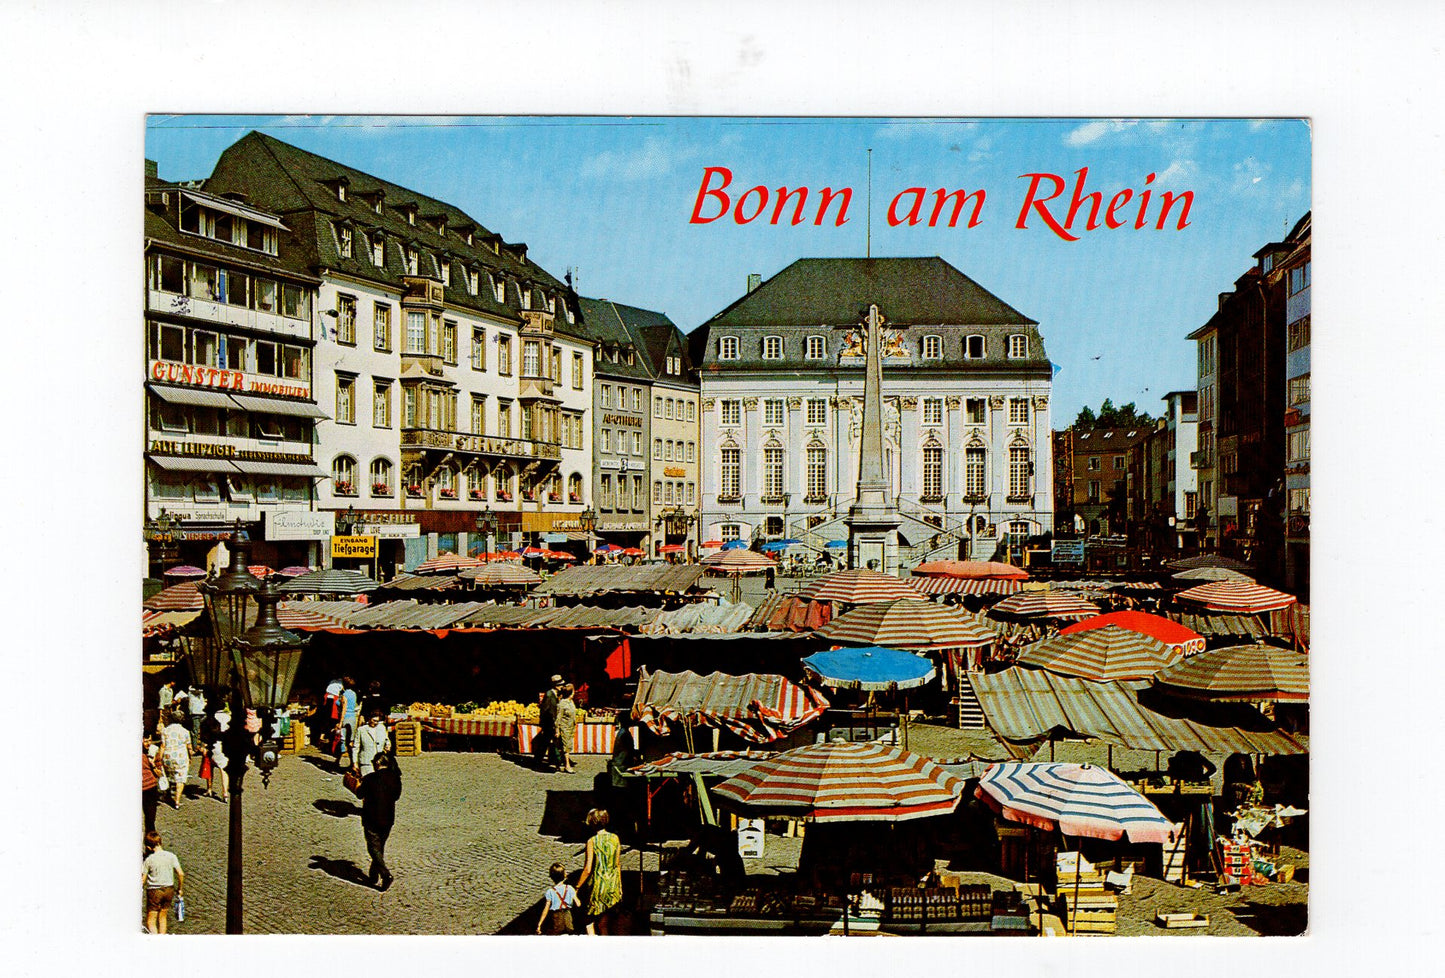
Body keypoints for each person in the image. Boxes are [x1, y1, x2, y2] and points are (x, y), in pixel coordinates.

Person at [359, 752, 403, 890]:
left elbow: (359, 793)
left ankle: (385, 875)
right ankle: (373, 874)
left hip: (371, 817)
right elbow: (396, 796)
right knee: (380, 847)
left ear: (377, 763)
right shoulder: (395, 778)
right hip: (388, 818)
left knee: (373, 848)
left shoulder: (369, 778)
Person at [576, 808, 623, 935]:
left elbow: (587, 869)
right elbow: (617, 864)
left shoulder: (592, 841)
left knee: (590, 920)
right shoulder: (615, 838)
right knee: (607, 922)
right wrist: (620, 887)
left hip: (598, 886)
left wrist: (577, 887)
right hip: (613, 885)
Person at [142, 830, 184, 934]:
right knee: (163, 917)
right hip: (169, 889)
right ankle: (162, 942)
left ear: (148, 847)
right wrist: (180, 889)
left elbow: (143, 880)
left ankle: (155, 943)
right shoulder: (171, 856)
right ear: (160, 842)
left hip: (154, 891)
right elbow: (181, 874)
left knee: (151, 920)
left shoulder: (149, 860)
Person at [535, 862, 580, 934]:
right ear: (565, 875)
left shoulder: (550, 891)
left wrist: (539, 924)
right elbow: (578, 904)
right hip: (568, 917)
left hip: (556, 919)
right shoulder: (569, 888)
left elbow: (546, 909)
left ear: (552, 877)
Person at [160, 710, 193, 807]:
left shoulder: (165, 730)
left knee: (169, 776)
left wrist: (159, 758)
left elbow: (162, 745)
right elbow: (189, 747)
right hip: (181, 757)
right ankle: (177, 801)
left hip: (168, 755)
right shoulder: (185, 732)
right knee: (180, 779)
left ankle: (167, 794)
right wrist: (190, 757)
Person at [355, 707, 391, 777]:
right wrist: (354, 762)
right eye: (374, 720)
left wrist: (388, 745)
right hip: (366, 762)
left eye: (377, 721)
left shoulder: (382, 728)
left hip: (379, 763)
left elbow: (387, 740)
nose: (376, 723)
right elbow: (356, 747)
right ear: (369, 719)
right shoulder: (361, 730)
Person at [537, 675, 563, 769]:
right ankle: (555, 762)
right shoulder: (549, 695)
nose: (562, 687)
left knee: (549, 742)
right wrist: (544, 724)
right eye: (560, 685)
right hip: (549, 723)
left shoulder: (555, 694)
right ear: (555, 686)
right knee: (548, 742)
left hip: (551, 722)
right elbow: (545, 710)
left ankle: (552, 761)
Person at [142, 734, 165, 833]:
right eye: (146, 741)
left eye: (150, 740)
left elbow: (160, 773)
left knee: (150, 819)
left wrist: (153, 766)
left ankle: (151, 842)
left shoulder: (154, 751)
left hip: (150, 787)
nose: (148, 743)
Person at [553, 685, 578, 774]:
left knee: (567, 745)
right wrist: (557, 730)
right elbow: (558, 719)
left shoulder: (571, 702)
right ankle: (567, 765)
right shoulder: (562, 704)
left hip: (571, 727)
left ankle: (560, 763)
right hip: (564, 728)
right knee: (566, 747)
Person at [339, 676, 359, 768]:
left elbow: (344, 708)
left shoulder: (344, 695)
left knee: (342, 740)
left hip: (346, 717)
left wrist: (340, 722)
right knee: (350, 741)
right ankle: (353, 762)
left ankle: (339, 760)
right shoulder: (354, 694)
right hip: (353, 717)